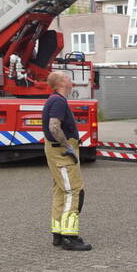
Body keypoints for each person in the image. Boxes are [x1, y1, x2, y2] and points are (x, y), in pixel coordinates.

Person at [42, 71, 92, 251]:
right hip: (62, 153)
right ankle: (70, 237)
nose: (71, 81)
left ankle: (58, 234)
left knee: (60, 190)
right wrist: (67, 146)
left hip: (56, 151)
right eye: (68, 78)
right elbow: (54, 127)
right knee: (74, 190)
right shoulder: (58, 101)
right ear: (62, 82)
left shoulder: (54, 100)